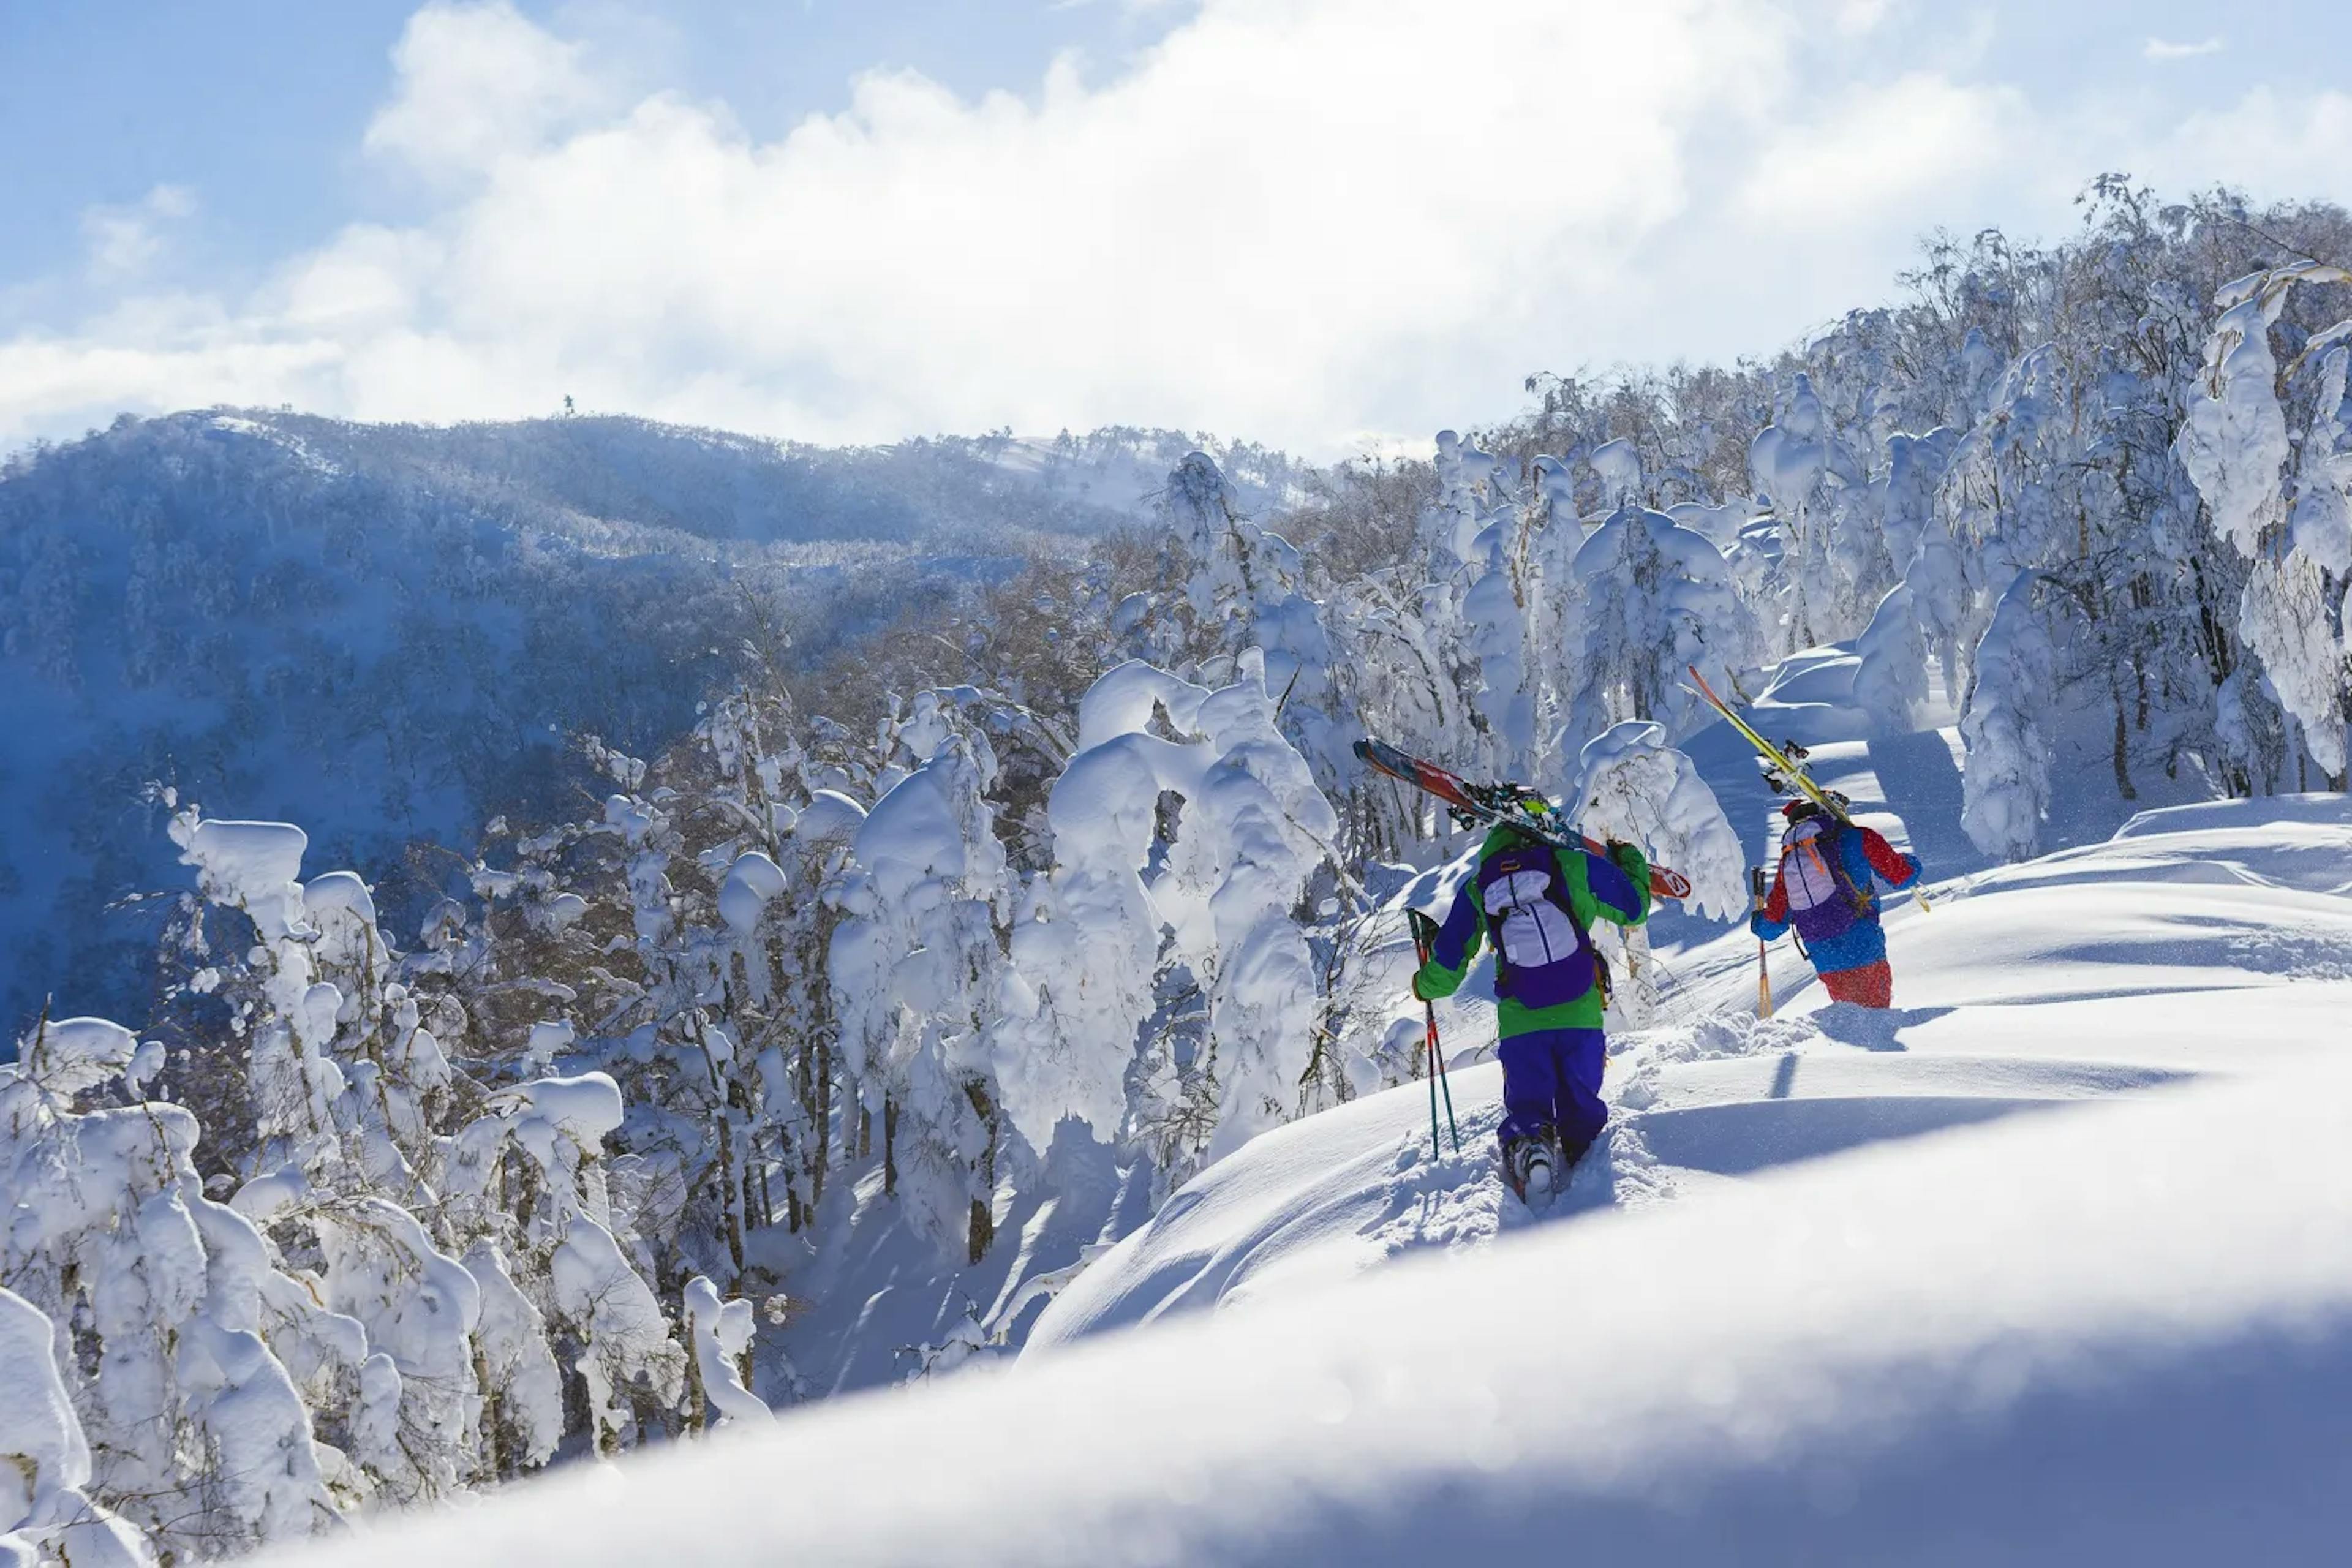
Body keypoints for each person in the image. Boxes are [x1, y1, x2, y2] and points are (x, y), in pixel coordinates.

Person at [1409, 799, 1650, 1201]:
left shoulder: (1480, 886)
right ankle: (1585, 1165)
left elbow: (1449, 966)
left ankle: (1531, 1149)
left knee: (1529, 1105)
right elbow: (1634, 907)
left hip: (1523, 1023)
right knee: (1582, 1108)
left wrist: (1424, 986)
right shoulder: (1573, 865)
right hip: (1580, 1014)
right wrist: (1630, 859)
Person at [1749, 798, 1922, 1008]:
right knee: (1877, 1018)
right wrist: (1911, 862)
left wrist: (1758, 922)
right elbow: (1902, 876)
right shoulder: (1856, 837)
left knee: (1851, 1019)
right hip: (1862, 945)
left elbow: (1772, 926)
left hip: (1824, 958)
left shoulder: (1791, 858)